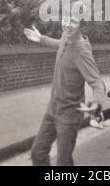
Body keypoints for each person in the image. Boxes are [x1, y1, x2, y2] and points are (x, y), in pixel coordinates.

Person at [23, 16, 105, 166]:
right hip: (52, 109)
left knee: (63, 162)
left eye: (73, 21)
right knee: (38, 153)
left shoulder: (81, 50)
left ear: (82, 24)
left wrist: (97, 103)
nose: (67, 25)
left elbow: (97, 82)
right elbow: (60, 43)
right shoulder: (66, 37)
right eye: (65, 19)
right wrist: (41, 39)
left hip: (69, 115)